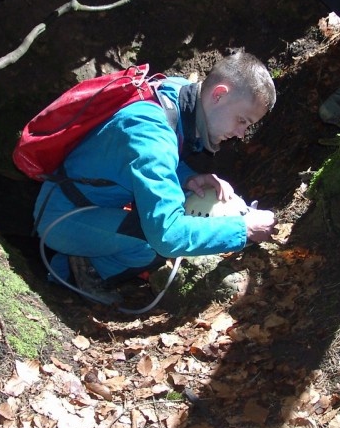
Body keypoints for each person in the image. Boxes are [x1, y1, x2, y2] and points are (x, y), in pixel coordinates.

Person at [32, 52, 278, 306]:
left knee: (144, 234)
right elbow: (167, 234)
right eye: (241, 121)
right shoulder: (153, 135)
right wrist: (244, 228)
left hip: (82, 204)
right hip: (65, 217)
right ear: (218, 94)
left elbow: (135, 157)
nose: (240, 133)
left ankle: (66, 265)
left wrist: (188, 177)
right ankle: (71, 276)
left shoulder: (175, 93)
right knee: (150, 247)